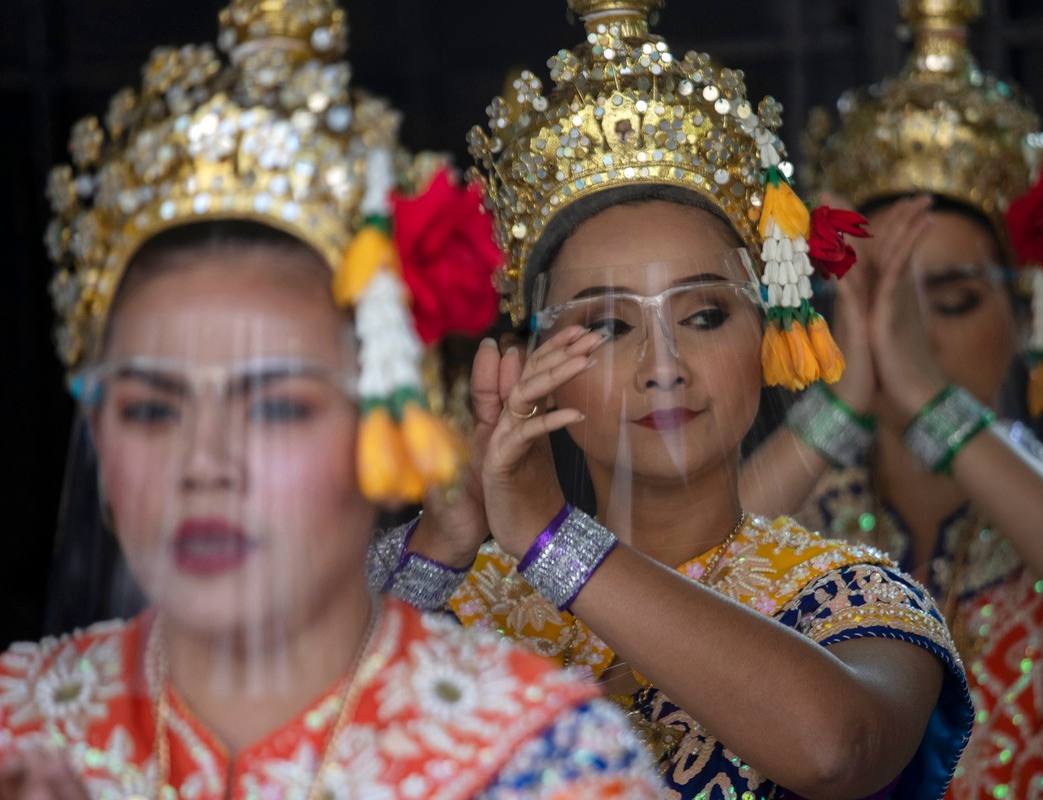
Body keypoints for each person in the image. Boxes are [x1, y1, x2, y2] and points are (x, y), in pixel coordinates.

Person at [0, 2, 663, 797]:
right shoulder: (16, 723)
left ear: (396, 429)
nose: (205, 466)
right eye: (152, 408)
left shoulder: (541, 758)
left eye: (276, 406)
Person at [370, 2, 974, 798]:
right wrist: (444, 542)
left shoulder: (846, 598)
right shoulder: (457, 589)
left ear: (768, 334)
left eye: (704, 315)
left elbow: (837, 749)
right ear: (526, 364)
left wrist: (552, 540)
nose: (664, 365)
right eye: (609, 326)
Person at [738, 1, 1043, 797]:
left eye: (949, 304)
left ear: (1022, 319)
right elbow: (683, 588)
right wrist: (841, 406)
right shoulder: (800, 517)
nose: (910, 339)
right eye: (880, 303)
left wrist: (925, 396)